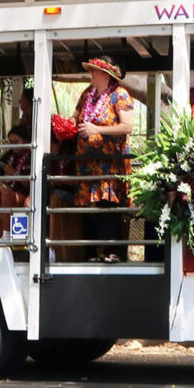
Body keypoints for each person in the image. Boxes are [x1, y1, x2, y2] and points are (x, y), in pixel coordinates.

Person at [75, 56, 136, 260]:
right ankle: (91, 253)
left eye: (95, 71)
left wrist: (97, 129)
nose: (91, 74)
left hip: (110, 163)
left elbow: (127, 126)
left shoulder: (120, 95)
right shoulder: (87, 94)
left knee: (108, 207)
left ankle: (112, 252)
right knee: (88, 207)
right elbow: (75, 118)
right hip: (87, 163)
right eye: (91, 70)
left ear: (106, 74)